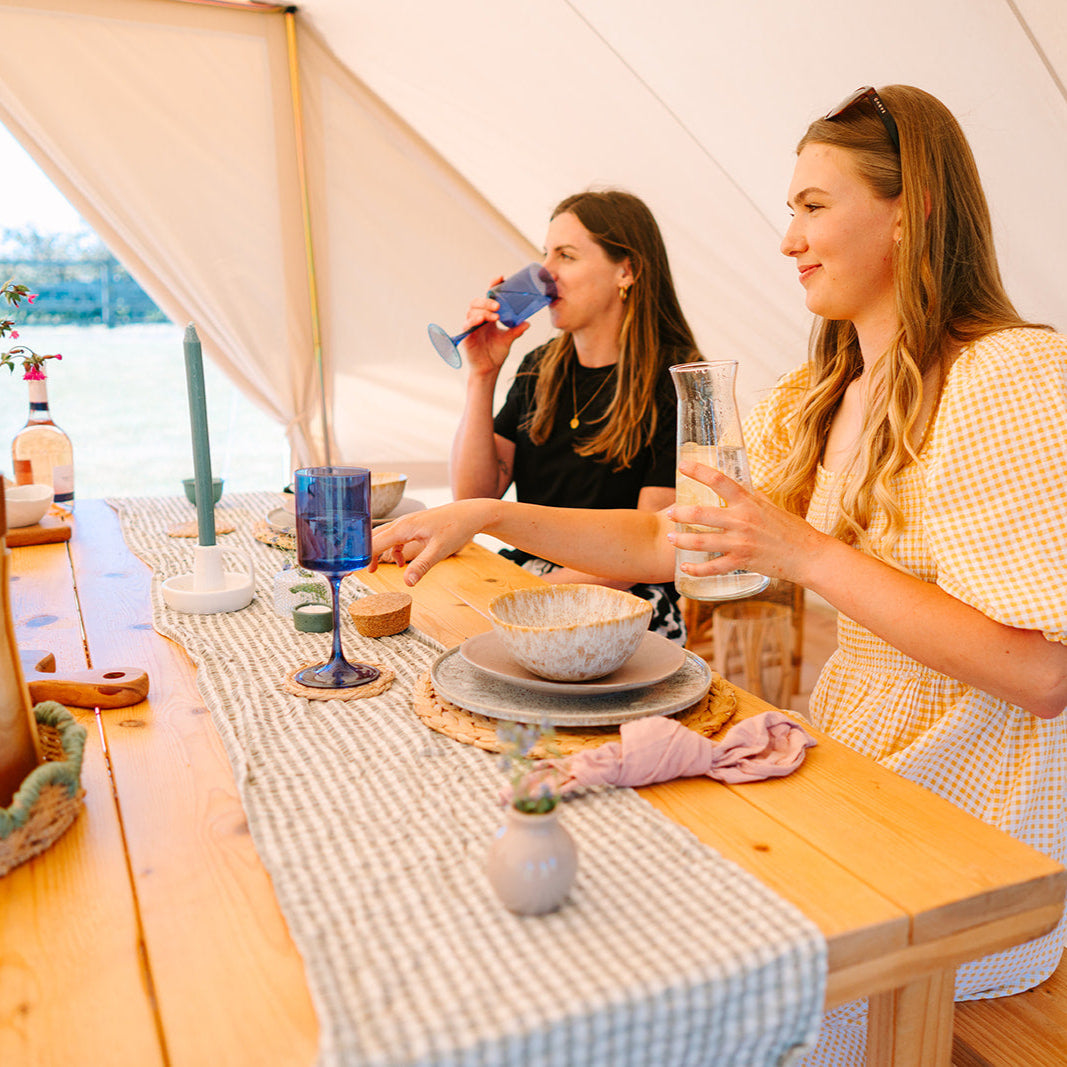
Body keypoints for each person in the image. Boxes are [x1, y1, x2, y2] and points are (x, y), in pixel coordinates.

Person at [373, 86, 1067, 1062]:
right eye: (789, 209)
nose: (785, 239)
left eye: (812, 205)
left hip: (974, 821)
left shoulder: (1009, 376)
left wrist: (800, 550)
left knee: (695, 987)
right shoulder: (820, 391)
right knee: (600, 884)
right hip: (854, 761)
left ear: (910, 207)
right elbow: (672, 545)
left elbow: (1042, 675)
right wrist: (490, 512)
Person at [448, 189, 700, 642]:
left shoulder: (677, 380)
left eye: (566, 255)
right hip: (529, 583)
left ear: (627, 270)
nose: (546, 273)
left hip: (624, 602)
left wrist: (519, 600)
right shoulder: (540, 367)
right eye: (546, 254)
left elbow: (646, 551)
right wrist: (481, 375)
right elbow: (472, 495)